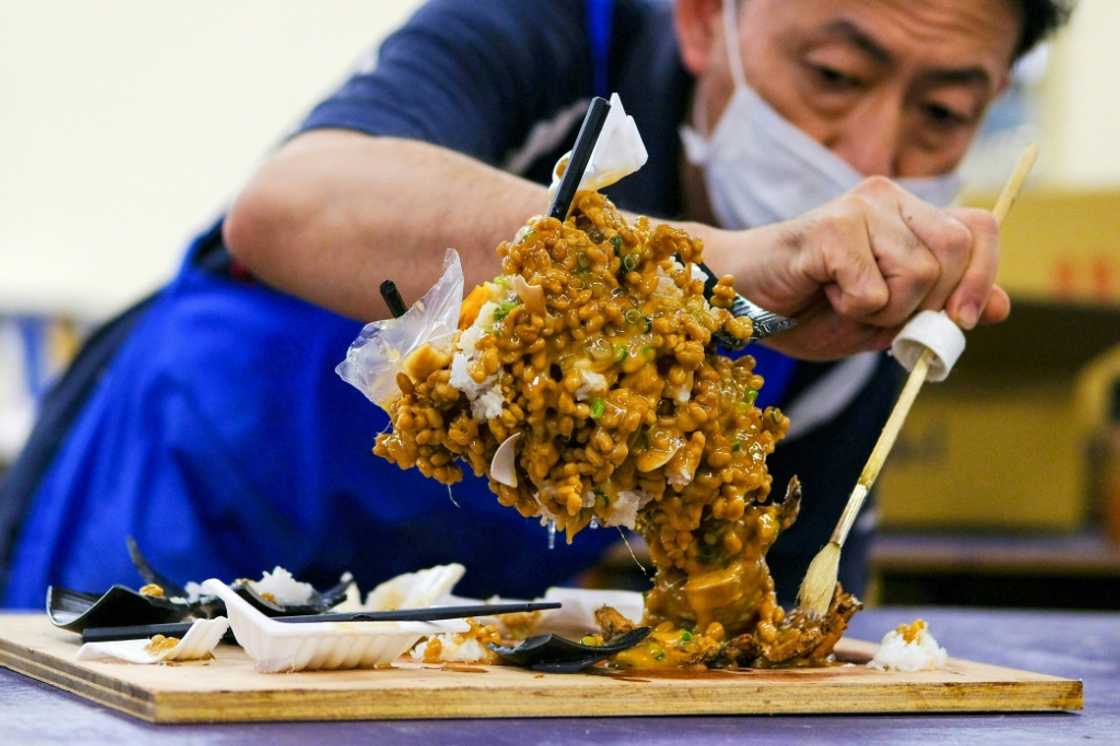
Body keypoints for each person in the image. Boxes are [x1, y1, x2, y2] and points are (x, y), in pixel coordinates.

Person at [0, 0, 1070, 607]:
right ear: (705, 17)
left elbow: (782, 604)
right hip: (176, 518)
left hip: (445, 643)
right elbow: (290, 202)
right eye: (833, 73)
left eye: (939, 112)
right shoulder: (548, 35)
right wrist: (717, 266)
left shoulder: (857, 291)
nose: (868, 156)